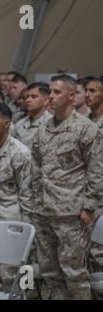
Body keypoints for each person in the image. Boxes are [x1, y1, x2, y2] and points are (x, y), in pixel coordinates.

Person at [32, 75, 103, 299]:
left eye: (57, 92)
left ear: (71, 96)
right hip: (44, 210)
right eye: (50, 92)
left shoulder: (86, 129)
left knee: (73, 272)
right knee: (50, 272)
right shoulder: (43, 129)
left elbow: (97, 169)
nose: (50, 96)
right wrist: (35, 202)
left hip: (72, 213)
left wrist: (89, 206)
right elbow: (36, 166)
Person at [0, 103, 35, 292]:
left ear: (7, 123)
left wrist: (28, 233)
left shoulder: (20, 153)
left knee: (10, 273)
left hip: (10, 221)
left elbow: (27, 194)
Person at [84, 77, 103, 280]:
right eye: (86, 91)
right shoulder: (85, 122)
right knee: (86, 252)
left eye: (93, 91)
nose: (87, 95)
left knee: (100, 252)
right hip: (86, 194)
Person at [12, 82, 52, 149]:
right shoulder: (20, 124)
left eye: (34, 97)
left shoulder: (51, 123)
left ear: (46, 100)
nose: (28, 100)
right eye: (27, 97)